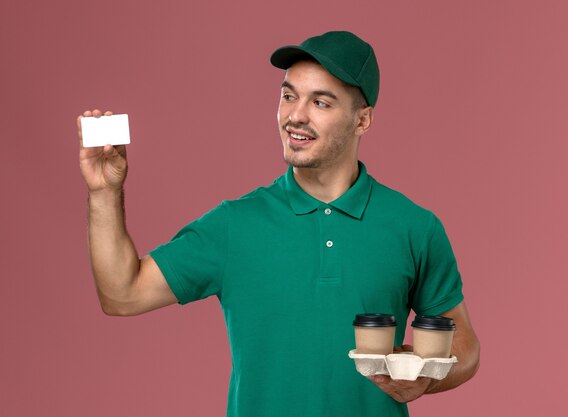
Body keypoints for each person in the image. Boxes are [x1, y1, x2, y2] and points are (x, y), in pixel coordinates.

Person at [77, 31, 480, 417]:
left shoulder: (414, 227)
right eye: (289, 96)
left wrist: (424, 381)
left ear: (362, 121)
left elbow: (465, 344)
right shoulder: (235, 224)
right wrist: (104, 193)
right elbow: (122, 294)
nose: (295, 116)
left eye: (321, 103)